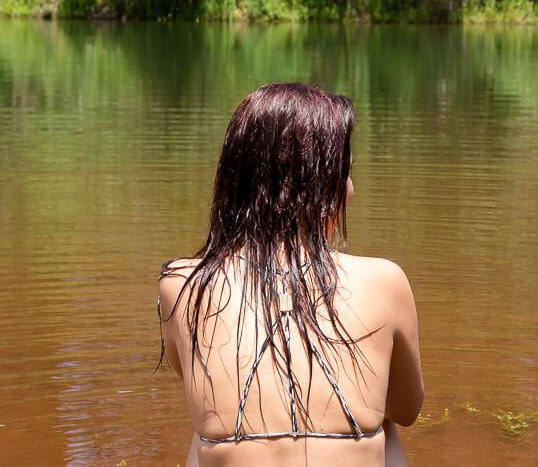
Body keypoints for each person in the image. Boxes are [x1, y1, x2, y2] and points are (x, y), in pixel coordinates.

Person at [158, 83, 423, 467]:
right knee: (382, 423)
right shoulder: (385, 281)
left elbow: (198, 377)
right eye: (344, 174)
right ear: (315, 187)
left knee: (208, 431)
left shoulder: (182, 283)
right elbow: (406, 408)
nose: (352, 190)